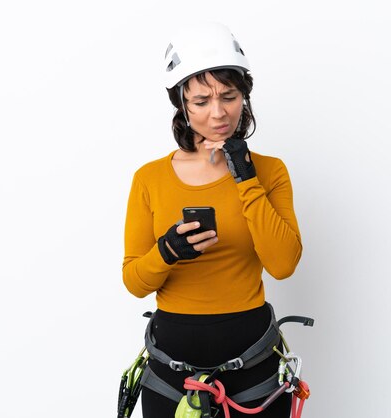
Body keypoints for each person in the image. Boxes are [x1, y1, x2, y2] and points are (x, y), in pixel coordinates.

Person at [122, 21, 303, 418]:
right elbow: (135, 282)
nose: (218, 113)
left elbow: (283, 264)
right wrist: (167, 251)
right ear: (182, 105)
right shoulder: (149, 178)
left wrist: (245, 177)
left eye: (229, 96)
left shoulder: (269, 171)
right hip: (171, 372)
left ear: (245, 97)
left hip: (254, 366)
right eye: (201, 101)